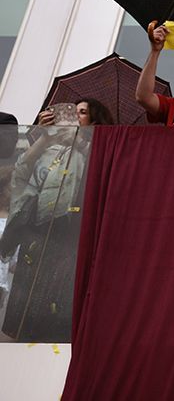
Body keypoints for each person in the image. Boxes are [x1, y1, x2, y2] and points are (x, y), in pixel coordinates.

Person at [0, 98, 113, 342]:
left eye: (82, 113)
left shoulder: (98, 153)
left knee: (53, 308)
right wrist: (44, 135)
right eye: (72, 112)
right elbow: (21, 171)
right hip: (37, 234)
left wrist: (80, 143)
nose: (75, 117)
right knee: (20, 315)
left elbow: (104, 177)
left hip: (68, 239)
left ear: (95, 122)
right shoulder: (52, 148)